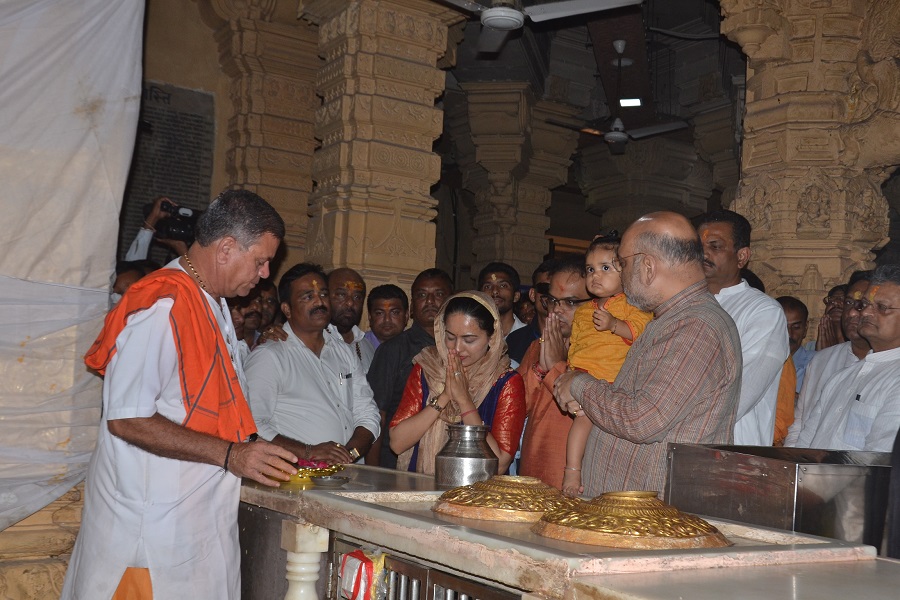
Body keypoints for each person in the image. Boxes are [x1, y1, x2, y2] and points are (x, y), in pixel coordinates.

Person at [62, 189, 298, 600]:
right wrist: (230, 455)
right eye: (260, 261)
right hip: (149, 536)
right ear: (226, 248)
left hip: (193, 529)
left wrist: (251, 448)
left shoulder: (213, 303)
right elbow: (127, 417)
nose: (264, 275)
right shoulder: (163, 305)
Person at [552, 212, 741, 496]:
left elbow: (644, 420)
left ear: (649, 267)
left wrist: (579, 385)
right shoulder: (668, 320)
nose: (622, 278)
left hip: (650, 519)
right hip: (631, 513)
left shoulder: (696, 326)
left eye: (623, 265)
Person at [244, 263, 380, 465]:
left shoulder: (344, 352)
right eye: (308, 297)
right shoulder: (270, 356)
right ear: (287, 309)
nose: (320, 302)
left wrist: (348, 455)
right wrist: (309, 452)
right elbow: (252, 425)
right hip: (292, 479)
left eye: (324, 294)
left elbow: (368, 413)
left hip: (344, 476)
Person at [390, 292, 526, 475]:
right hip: (420, 491)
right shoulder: (428, 368)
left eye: (469, 340)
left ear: (491, 338)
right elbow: (397, 443)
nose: (457, 348)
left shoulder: (507, 383)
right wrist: (445, 395)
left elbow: (499, 463)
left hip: (478, 497)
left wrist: (464, 400)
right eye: (450, 337)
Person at [561, 233, 652, 495]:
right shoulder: (583, 311)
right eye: (590, 269)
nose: (595, 276)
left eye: (605, 268)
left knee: (591, 428)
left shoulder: (633, 305)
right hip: (583, 377)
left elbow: (641, 332)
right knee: (581, 422)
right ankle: (572, 471)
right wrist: (570, 371)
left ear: (626, 272)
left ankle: (577, 472)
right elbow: (576, 344)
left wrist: (615, 325)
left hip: (613, 383)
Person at [697, 209, 788, 446]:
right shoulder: (681, 305)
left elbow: (740, 392)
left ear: (742, 256)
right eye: (698, 247)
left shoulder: (763, 311)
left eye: (715, 246)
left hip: (733, 446)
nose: (703, 254)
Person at [790, 265, 900, 452]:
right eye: (865, 304)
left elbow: (881, 462)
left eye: (881, 307)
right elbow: (805, 448)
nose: (865, 313)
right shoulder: (842, 377)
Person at [366, 269, 453, 467]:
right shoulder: (393, 350)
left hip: (448, 459)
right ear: (412, 307)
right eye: (422, 295)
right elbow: (375, 415)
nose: (430, 301)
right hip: (400, 460)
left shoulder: (460, 349)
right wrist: (373, 474)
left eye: (438, 294)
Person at [517, 257, 589, 489]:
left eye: (570, 302)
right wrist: (539, 368)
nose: (557, 311)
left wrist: (556, 365)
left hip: (574, 481)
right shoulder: (537, 346)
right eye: (553, 301)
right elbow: (518, 406)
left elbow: (578, 405)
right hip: (532, 470)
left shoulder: (605, 351)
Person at [785, 271, 872, 446]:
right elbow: (800, 423)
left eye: (862, 304)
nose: (853, 312)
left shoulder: (891, 368)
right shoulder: (822, 360)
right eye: (848, 302)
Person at [506, 259, 556, 365]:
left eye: (558, 290)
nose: (551, 296)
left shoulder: (577, 339)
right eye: (545, 288)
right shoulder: (515, 339)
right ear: (532, 294)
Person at [327, 267, 376, 372]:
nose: (350, 303)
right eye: (341, 295)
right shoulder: (312, 342)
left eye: (357, 297)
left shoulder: (366, 346)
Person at [777, 296, 816, 392]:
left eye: (796, 327)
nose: (789, 334)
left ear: (805, 328)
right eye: (783, 327)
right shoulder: (756, 360)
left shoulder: (816, 363)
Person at [478, 262, 525, 339]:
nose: (495, 291)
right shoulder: (471, 335)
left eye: (503, 285)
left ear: (516, 296)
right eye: (488, 287)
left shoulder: (528, 338)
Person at [364, 284, 409, 350]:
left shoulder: (419, 349)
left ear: (406, 316)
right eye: (379, 313)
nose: (387, 320)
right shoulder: (357, 347)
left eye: (394, 312)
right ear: (370, 317)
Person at [817, 284, 848, 350]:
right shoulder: (810, 347)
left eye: (843, 299)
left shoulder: (860, 347)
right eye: (831, 300)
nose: (835, 303)